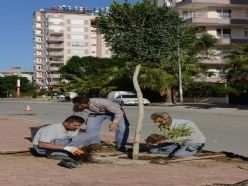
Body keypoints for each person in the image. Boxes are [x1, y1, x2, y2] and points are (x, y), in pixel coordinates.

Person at [32, 115, 98, 158]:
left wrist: (79, 146)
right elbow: (42, 145)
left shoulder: (73, 129)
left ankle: (65, 153)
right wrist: (67, 148)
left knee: (88, 136)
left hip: (58, 144)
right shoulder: (52, 128)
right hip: (41, 149)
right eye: (75, 125)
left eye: (79, 125)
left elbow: (73, 140)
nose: (77, 127)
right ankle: (56, 154)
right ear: (66, 123)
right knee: (66, 143)